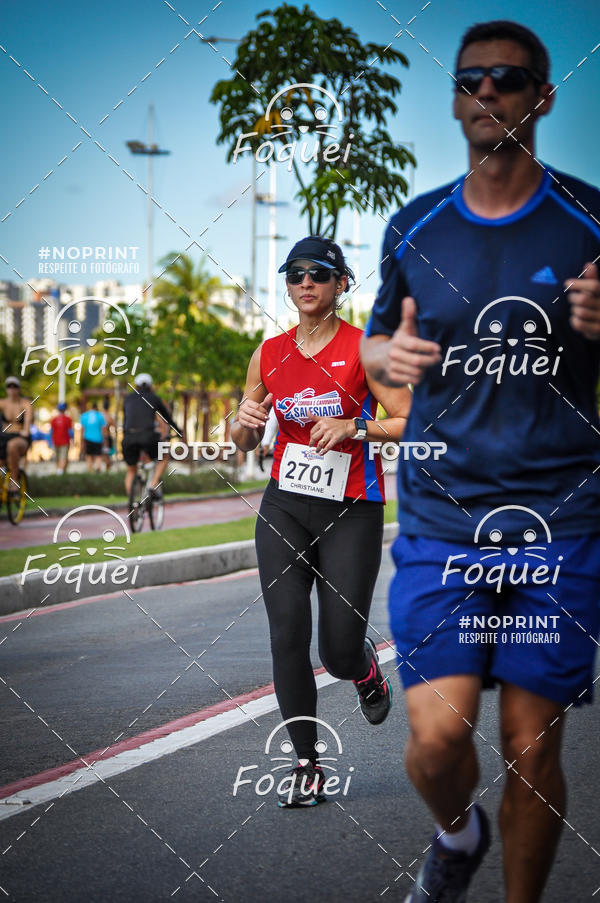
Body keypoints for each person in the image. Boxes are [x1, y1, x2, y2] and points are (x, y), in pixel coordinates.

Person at [360, 20, 600, 903]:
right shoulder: (414, 225)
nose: (486, 93)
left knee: (532, 744)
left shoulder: (590, 220)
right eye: (471, 80)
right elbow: (377, 348)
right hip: (441, 516)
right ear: (457, 98)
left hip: (560, 516)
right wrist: (386, 361)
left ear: (542, 95)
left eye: (506, 79)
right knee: (435, 740)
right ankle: (457, 834)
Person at [232, 235, 411, 808]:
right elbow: (244, 438)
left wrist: (356, 428)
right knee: (286, 635)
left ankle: (362, 672)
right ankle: (307, 764)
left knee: (337, 649)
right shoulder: (267, 353)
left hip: (351, 509)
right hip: (284, 504)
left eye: (318, 273)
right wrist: (243, 420)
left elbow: (410, 419)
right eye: (294, 274)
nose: (305, 282)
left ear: (340, 284)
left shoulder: (366, 350)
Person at [122, 373, 181, 498]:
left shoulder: (128, 399)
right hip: (148, 436)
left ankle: (133, 505)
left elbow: (125, 420)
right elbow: (167, 418)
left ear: (135, 386)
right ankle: (152, 486)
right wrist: (179, 431)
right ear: (151, 386)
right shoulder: (154, 398)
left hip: (128, 437)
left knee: (131, 470)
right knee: (164, 456)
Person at [0, 376, 32, 495]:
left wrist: (26, 430)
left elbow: (28, 422)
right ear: (6, 389)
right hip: (4, 437)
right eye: (9, 386)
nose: (12, 389)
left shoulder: (26, 404)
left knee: (12, 445)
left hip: (21, 437)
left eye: (15, 386)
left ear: (19, 389)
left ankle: (14, 482)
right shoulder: (2, 403)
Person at [80, 401, 106, 473]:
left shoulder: (84, 415)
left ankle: (90, 470)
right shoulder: (100, 415)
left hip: (88, 438)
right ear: (96, 408)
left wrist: (82, 440)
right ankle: (97, 467)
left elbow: (82, 429)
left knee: (88, 455)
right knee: (98, 455)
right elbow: (103, 428)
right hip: (98, 438)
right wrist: (105, 438)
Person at [50, 402, 73, 475]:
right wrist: (73, 439)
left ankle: (59, 471)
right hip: (65, 441)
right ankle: (60, 472)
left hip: (55, 441)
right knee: (63, 457)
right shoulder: (68, 419)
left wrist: (50, 442)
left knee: (57, 457)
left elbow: (51, 432)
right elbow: (70, 432)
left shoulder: (53, 419)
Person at [102, 398, 116, 472]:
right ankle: (107, 470)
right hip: (107, 437)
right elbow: (114, 425)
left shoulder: (100, 415)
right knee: (107, 455)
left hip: (100, 437)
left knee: (103, 455)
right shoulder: (109, 416)